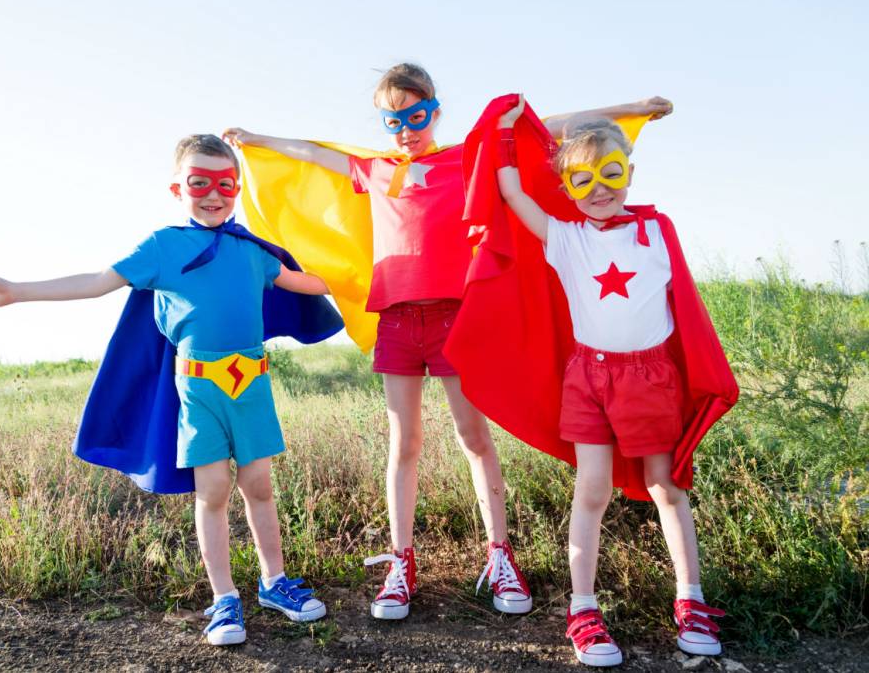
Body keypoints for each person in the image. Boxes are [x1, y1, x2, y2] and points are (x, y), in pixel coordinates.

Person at [224, 63, 674, 621]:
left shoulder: (465, 156)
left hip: (455, 318)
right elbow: (312, 155)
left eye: (417, 115)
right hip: (396, 319)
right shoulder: (375, 168)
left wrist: (631, 108)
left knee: (473, 437)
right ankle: (400, 562)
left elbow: (542, 123)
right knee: (403, 443)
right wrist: (255, 140)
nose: (407, 129)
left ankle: (500, 554)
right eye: (395, 120)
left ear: (435, 111)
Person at [0, 134, 337, 646]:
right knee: (214, 493)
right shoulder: (162, 246)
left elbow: (308, 282)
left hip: (252, 385)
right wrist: (18, 292)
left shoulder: (253, 250)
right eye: (199, 182)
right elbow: (96, 281)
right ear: (177, 187)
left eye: (225, 183)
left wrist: (371, 270)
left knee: (260, 487)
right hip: (199, 389)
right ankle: (225, 599)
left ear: (238, 187)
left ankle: (274, 584)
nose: (213, 193)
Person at [477, 95, 734, 666]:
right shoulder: (564, 237)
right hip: (588, 377)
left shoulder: (656, 231)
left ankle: (690, 601)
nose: (599, 188)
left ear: (630, 172)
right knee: (591, 489)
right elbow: (512, 191)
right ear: (566, 185)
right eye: (583, 178)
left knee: (666, 488)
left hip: (651, 377)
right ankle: (584, 609)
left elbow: (684, 311)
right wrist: (501, 133)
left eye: (611, 173)